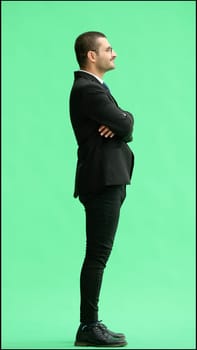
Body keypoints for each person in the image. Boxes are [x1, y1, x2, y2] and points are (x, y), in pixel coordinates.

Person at [69, 31, 135, 347]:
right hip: (102, 180)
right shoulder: (88, 91)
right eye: (108, 49)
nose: (115, 53)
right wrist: (123, 122)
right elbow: (126, 124)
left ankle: (90, 323)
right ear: (91, 56)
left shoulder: (95, 89)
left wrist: (123, 121)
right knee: (97, 254)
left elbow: (123, 123)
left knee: (98, 253)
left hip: (107, 179)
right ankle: (88, 326)